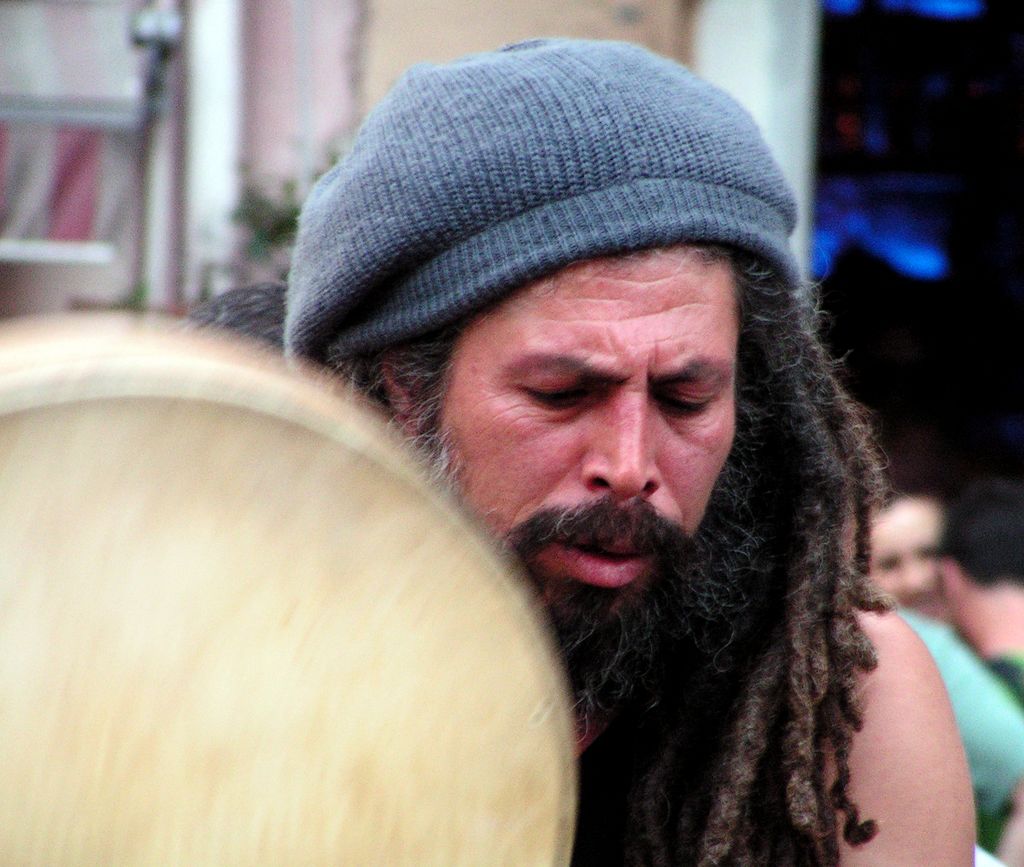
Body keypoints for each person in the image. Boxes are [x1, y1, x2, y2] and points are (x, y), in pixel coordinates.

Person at [196, 38, 973, 865]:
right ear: (403, 385)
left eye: (685, 397)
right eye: (562, 394)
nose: (631, 463)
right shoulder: (221, 668)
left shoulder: (842, 701)